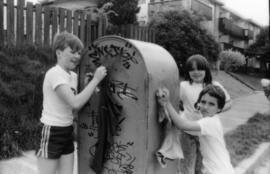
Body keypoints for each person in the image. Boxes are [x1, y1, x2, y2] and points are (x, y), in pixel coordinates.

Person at [35, 31, 107, 174]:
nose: (77, 56)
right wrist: (95, 80)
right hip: (52, 131)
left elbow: (79, 100)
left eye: (79, 53)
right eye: (72, 52)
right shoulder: (54, 73)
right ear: (59, 53)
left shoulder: (73, 76)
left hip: (67, 130)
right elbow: (75, 103)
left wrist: (87, 86)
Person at [157, 85, 235, 174]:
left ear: (219, 109)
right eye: (203, 102)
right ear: (198, 103)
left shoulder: (210, 122)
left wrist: (167, 103)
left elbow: (182, 125)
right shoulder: (212, 119)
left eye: (211, 104)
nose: (205, 107)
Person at [178, 54, 232, 174]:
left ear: (206, 70)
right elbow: (177, 102)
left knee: (202, 167)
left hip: (206, 134)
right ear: (187, 71)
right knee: (187, 166)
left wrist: (213, 111)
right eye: (192, 69)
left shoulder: (214, 85)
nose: (196, 72)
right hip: (188, 133)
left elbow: (229, 103)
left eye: (199, 68)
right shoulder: (183, 86)